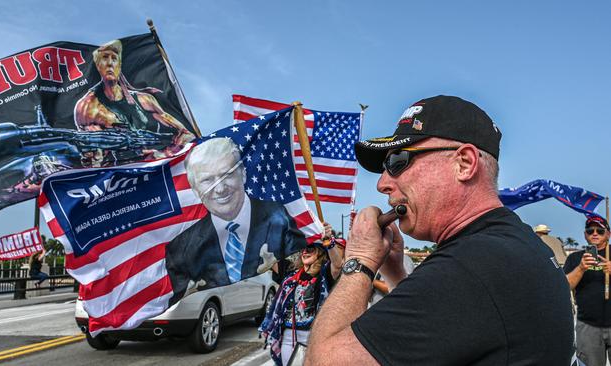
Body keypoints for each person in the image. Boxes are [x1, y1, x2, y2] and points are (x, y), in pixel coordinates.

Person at [306, 95, 574, 365]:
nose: (382, 183)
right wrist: (395, 271)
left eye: (397, 161)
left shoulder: (471, 266)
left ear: (464, 164)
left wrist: (359, 260)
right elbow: (442, 329)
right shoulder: (513, 243)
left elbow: (321, 361)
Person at [164, 138, 308, 303]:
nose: (220, 189)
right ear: (196, 190)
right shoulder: (180, 249)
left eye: (227, 174)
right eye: (207, 180)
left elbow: (303, 267)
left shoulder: (281, 218)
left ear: (243, 173)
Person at [74, 39, 195, 165]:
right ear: (98, 65)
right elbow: (94, 159)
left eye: (114, 58)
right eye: (105, 58)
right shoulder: (88, 107)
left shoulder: (143, 99)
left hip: (155, 166)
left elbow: (186, 134)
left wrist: (164, 154)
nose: (110, 63)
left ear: (119, 65)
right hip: (123, 173)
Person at [260, 222, 344, 365]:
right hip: (288, 337)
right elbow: (267, 257)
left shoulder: (325, 275)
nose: (305, 251)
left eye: (310, 248)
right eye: (303, 249)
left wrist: (328, 240)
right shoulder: (290, 274)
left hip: (316, 337)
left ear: (320, 253)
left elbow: (337, 264)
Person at [564, 216, 611, 366]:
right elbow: (565, 287)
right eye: (590, 230)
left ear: (608, 234)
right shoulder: (575, 258)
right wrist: (581, 268)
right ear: (585, 234)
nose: (595, 233)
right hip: (588, 327)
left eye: (600, 230)